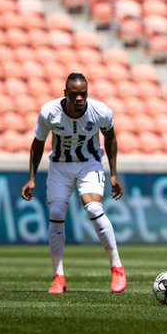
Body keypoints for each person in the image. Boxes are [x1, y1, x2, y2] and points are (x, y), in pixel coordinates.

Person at [20, 73, 126, 294]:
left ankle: (117, 267)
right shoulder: (49, 112)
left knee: (94, 208)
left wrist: (114, 173)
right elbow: (37, 143)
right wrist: (31, 178)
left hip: (89, 164)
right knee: (57, 213)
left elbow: (111, 138)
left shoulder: (100, 111)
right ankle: (58, 276)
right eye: (75, 94)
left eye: (83, 94)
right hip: (60, 166)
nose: (79, 99)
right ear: (65, 93)